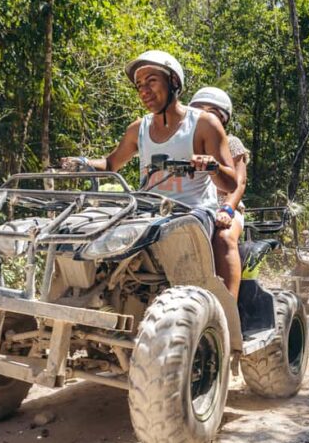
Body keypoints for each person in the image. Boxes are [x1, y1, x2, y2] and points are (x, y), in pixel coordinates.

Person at [60, 50, 240, 294]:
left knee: (174, 234)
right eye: (139, 85)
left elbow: (230, 184)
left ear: (174, 81)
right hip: (147, 210)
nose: (144, 90)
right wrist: (82, 163)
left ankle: (214, 311)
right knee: (83, 226)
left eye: (151, 81)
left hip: (192, 212)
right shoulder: (139, 129)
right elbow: (111, 163)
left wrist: (212, 166)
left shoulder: (204, 124)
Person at [189, 87, 249, 300]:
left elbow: (239, 183)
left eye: (212, 111)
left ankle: (228, 308)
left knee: (223, 237)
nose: (204, 115)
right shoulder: (185, 144)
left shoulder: (231, 143)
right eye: (198, 110)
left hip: (224, 206)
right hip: (191, 207)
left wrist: (227, 209)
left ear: (223, 119)